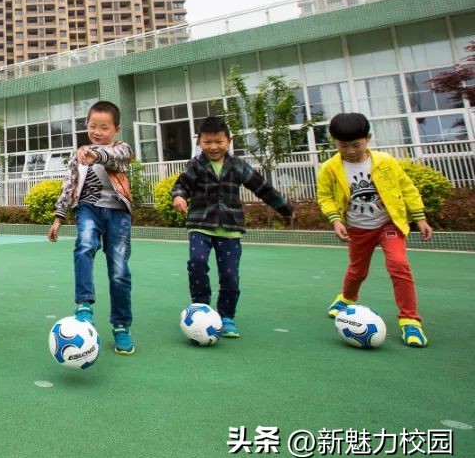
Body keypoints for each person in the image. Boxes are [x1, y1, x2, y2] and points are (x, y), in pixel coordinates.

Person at [171, 116, 294, 339]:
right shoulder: (195, 165)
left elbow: (262, 188)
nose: (213, 147)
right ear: (199, 142)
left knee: (230, 275)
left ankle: (227, 316)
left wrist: (285, 208)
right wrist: (179, 197)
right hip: (200, 225)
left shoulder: (238, 166)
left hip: (230, 227)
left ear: (229, 140)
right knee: (197, 262)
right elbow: (181, 185)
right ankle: (201, 307)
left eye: (218, 141)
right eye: (208, 142)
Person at [316, 112, 432, 347]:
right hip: (358, 229)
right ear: (334, 142)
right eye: (343, 145)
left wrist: (419, 217)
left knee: (399, 265)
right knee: (358, 270)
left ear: (368, 138)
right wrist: (335, 220)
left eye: (356, 145)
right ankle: (347, 298)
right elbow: (325, 197)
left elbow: (407, 187)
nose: (350, 151)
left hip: (388, 225)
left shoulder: (385, 162)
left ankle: (410, 320)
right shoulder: (329, 168)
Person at [47, 101, 136, 354]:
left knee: (119, 270)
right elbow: (70, 184)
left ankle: (121, 326)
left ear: (116, 129)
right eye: (92, 126)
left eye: (104, 127)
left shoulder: (122, 148)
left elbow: (117, 160)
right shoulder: (80, 154)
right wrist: (58, 216)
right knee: (85, 244)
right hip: (89, 208)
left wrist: (97, 154)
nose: (97, 131)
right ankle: (84, 304)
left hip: (118, 213)